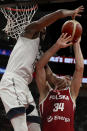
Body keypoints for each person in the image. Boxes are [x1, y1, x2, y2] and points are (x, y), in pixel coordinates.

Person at [0, 6, 84, 131]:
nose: (44, 27)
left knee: (34, 126)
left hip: (24, 87)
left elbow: (49, 74)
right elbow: (59, 12)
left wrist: (60, 80)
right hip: (13, 80)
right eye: (43, 25)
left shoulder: (38, 53)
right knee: (21, 127)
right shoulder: (29, 32)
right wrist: (69, 13)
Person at [35, 33, 84, 131]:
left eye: (69, 78)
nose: (67, 78)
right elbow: (39, 67)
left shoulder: (71, 93)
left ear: (70, 84)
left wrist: (76, 44)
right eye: (65, 77)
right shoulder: (46, 92)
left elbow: (79, 68)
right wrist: (57, 46)